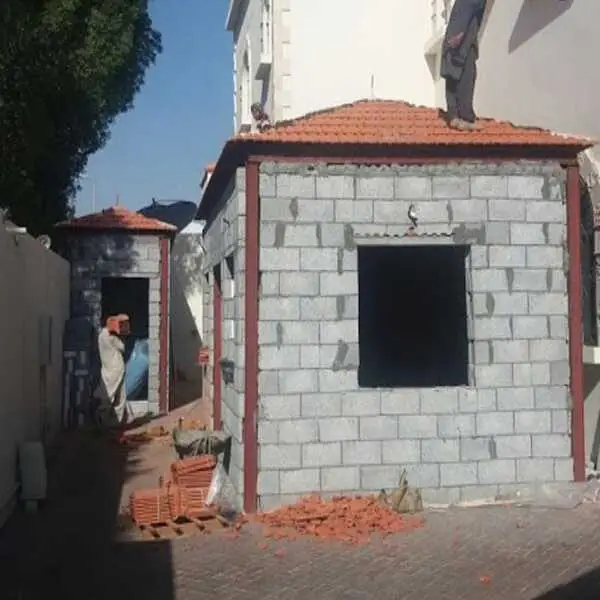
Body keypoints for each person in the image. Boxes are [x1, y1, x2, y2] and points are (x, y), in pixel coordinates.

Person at [440, 0, 488, 131]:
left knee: (454, 72)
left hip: (456, 40)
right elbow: (465, 14)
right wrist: (458, 36)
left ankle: (454, 115)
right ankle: (464, 117)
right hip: (462, 40)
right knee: (466, 73)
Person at [94, 314, 131, 428]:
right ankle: (107, 421)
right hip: (115, 369)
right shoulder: (111, 337)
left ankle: (111, 422)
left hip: (107, 369)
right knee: (114, 396)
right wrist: (123, 336)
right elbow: (122, 347)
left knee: (112, 394)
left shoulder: (101, 335)